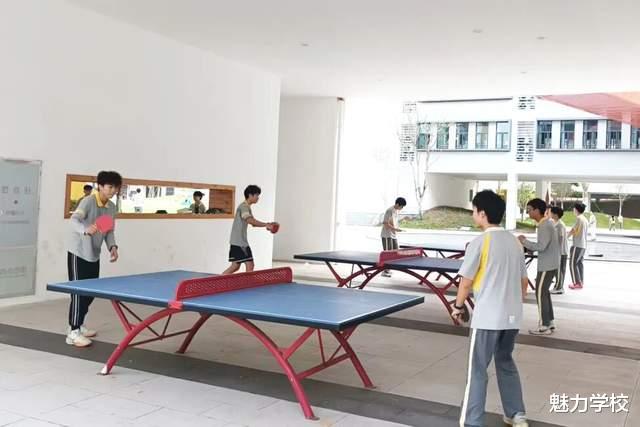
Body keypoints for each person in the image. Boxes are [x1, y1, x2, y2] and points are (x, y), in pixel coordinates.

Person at [451, 190, 529, 427]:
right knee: (505, 362)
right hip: (512, 318)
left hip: (487, 318)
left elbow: (465, 282)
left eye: (474, 210)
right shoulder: (515, 243)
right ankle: (516, 415)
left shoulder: (479, 242)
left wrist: (457, 307)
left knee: (477, 370)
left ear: (482, 213)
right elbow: (524, 283)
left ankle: (472, 421)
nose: (473, 214)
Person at [66, 170, 121, 347]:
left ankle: (78, 325)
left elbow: (108, 231)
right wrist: (85, 230)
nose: (113, 190)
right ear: (100, 186)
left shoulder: (111, 207)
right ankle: (73, 332)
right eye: (110, 187)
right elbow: (74, 220)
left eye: (115, 187)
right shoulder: (89, 201)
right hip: (79, 252)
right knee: (78, 293)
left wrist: (112, 247)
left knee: (89, 293)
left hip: (93, 254)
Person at [518, 198, 559, 335]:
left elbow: (541, 246)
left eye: (529, 210)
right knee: (544, 293)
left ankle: (544, 325)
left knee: (540, 293)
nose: (528, 212)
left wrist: (524, 241)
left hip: (547, 265)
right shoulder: (546, 223)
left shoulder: (544, 225)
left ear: (537, 210)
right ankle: (550, 322)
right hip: (550, 263)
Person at [222, 185, 276, 274]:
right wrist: (266, 225)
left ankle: (219, 280)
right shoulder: (244, 207)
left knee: (235, 266)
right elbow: (250, 221)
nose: (258, 198)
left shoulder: (246, 207)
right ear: (250, 195)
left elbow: (253, 223)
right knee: (250, 265)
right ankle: (247, 282)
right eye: (257, 195)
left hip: (237, 241)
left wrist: (266, 224)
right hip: (240, 243)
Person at [380, 197, 406, 277]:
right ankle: (385, 271)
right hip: (387, 235)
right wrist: (395, 229)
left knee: (395, 251)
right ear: (397, 204)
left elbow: (393, 222)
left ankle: (388, 269)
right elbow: (385, 223)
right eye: (401, 206)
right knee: (388, 253)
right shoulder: (389, 210)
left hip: (393, 235)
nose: (402, 208)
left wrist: (396, 228)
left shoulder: (396, 211)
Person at [568, 203, 588, 290]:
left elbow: (573, 230)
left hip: (577, 245)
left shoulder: (579, 218)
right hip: (583, 245)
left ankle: (576, 283)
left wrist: (566, 237)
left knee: (572, 264)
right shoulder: (585, 219)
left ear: (576, 209)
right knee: (579, 263)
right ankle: (580, 282)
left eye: (574, 208)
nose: (573, 210)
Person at [549, 206, 568, 295]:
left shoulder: (560, 225)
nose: (550, 214)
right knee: (559, 270)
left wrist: (557, 250)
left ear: (556, 214)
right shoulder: (556, 223)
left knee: (559, 270)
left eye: (552, 212)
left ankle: (559, 288)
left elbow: (561, 237)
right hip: (560, 251)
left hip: (561, 251)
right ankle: (558, 286)